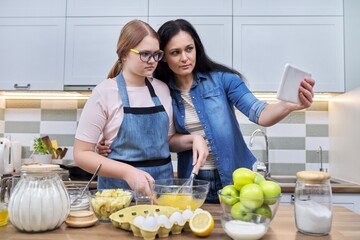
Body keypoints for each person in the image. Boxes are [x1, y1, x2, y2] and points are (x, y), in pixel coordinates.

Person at [98, 19, 315, 203]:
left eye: (189, 49)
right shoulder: (160, 90)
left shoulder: (223, 81)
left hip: (237, 179)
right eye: (175, 52)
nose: (184, 58)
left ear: (196, 48)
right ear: (162, 56)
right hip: (193, 183)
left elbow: (259, 112)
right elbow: (166, 141)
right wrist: (111, 145)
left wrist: (287, 105)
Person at [73, 19, 208, 196]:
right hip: (117, 195)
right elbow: (81, 154)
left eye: (156, 54)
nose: (152, 61)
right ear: (124, 54)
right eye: (144, 54)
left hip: (161, 194)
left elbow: (167, 141)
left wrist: (194, 139)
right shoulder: (104, 92)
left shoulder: (162, 89)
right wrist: (128, 172)